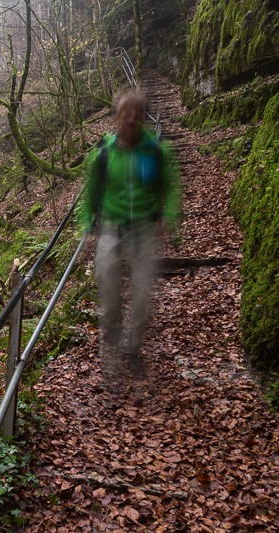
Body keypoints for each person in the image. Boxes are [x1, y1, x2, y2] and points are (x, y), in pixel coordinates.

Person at [82, 88, 182, 380]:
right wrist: (88, 226)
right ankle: (113, 324)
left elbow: (173, 187)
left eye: (137, 114)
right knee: (106, 276)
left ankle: (132, 347)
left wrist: (168, 215)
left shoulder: (157, 151)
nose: (131, 119)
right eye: (126, 114)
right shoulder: (102, 155)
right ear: (116, 118)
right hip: (111, 224)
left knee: (141, 291)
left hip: (143, 226)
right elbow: (90, 195)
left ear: (142, 118)